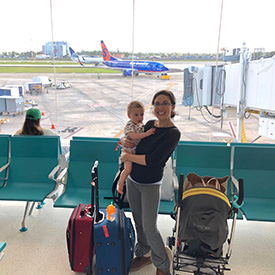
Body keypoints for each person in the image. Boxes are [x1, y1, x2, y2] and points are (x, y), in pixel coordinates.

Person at [120, 90, 181, 275]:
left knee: (149, 226)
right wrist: (123, 139)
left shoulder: (173, 133)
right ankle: (144, 253)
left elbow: (153, 159)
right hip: (133, 180)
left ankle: (162, 263)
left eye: (165, 103)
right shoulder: (147, 124)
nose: (160, 107)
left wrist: (128, 156)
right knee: (138, 221)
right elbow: (131, 138)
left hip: (150, 184)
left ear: (172, 107)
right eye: (157, 103)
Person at [117, 100, 155, 195]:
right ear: (129, 116)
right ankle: (120, 184)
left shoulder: (141, 125)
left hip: (134, 152)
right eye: (136, 115)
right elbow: (133, 136)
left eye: (142, 115)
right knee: (128, 169)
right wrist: (145, 134)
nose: (140, 117)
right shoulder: (130, 125)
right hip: (128, 152)